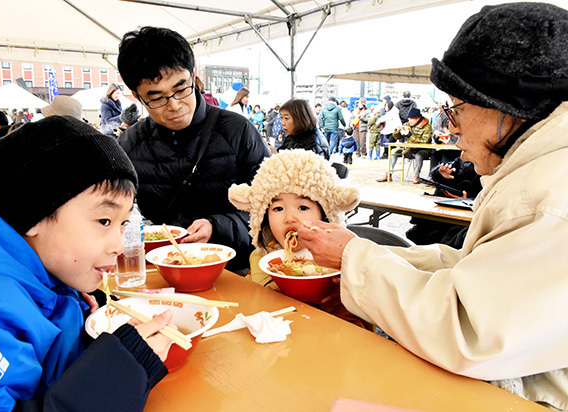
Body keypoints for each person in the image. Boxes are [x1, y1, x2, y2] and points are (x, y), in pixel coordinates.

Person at [298, 3, 568, 409]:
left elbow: (467, 329)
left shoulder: (545, 195)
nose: (450, 127)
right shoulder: (540, 168)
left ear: (506, 108)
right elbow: (475, 268)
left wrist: (355, 258)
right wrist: (365, 262)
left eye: (456, 108)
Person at [0, 116, 173, 410]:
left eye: (122, 223)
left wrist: (80, 321)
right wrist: (116, 374)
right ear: (33, 214)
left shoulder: (37, 272)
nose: (118, 247)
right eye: (104, 220)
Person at [116, 26, 270, 273]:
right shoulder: (130, 145)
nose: (174, 105)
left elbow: (271, 211)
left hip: (236, 273)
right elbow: (119, 216)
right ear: (137, 96)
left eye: (181, 88)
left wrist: (217, 227)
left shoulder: (238, 131)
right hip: (161, 274)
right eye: (156, 98)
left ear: (193, 75)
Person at [228, 149, 359, 289]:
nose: (290, 218)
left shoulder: (340, 258)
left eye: (303, 208)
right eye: (278, 209)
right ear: (263, 217)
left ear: (326, 216)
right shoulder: (262, 257)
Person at [376, 107, 432, 183]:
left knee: (419, 155)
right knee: (393, 152)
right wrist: (397, 131)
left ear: (418, 118)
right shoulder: (407, 125)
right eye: (409, 118)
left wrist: (410, 136)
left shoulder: (427, 127)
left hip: (423, 150)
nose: (409, 120)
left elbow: (425, 141)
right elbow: (397, 137)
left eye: (411, 118)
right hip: (409, 149)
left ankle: (416, 176)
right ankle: (388, 174)